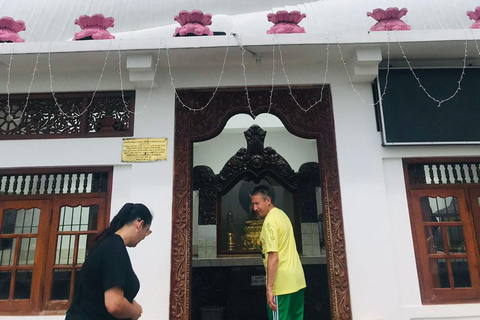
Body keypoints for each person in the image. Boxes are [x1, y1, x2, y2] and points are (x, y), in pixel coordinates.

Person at [65, 203, 153, 320]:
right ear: (139, 224)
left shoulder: (107, 244)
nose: (144, 237)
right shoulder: (114, 248)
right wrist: (134, 310)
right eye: (147, 231)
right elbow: (114, 304)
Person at [250, 185, 306, 320]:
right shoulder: (282, 215)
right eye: (253, 204)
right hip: (297, 281)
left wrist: (269, 288)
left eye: (257, 203)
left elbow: (273, 256)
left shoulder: (270, 221)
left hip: (281, 285)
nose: (254, 208)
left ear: (268, 200)